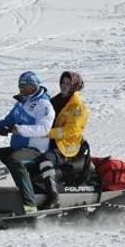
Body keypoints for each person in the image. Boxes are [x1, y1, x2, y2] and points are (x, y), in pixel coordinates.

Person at [0, 71, 55, 214]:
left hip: (35, 150)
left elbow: (44, 129)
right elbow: (9, 120)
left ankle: (29, 204)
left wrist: (19, 129)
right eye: (19, 85)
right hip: (18, 147)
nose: (21, 88)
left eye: (24, 86)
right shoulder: (22, 103)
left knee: (15, 162)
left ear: (33, 86)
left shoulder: (44, 104)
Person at [36, 71, 89, 209]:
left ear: (75, 85)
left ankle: (53, 196)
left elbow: (73, 130)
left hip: (66, 146)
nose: (64, 86)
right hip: (50, 142)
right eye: (62, 82)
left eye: (68, 83)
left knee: (45, 160)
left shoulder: (77, 106)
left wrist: (49, 133)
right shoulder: (55, 100)